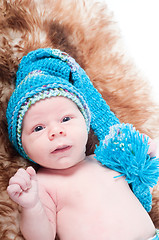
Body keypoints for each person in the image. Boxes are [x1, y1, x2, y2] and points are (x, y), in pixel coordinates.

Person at [6, 48, 159, 240]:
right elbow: (42, 237)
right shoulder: (42, 184)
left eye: (65, 119)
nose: (56, 131)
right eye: (38, 128)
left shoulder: (106, 158)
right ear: (23, 147)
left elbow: (142, 182)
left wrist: (147, 153)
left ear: (85, 124)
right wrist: (31, 206)